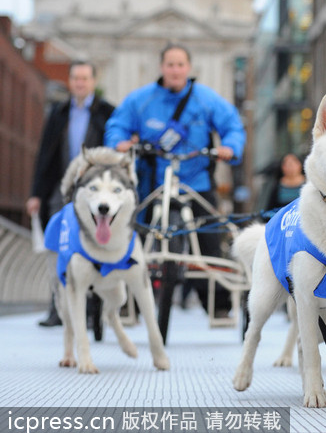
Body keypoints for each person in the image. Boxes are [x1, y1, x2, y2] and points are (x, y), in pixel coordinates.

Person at [104, 43, 246, 317]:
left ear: (189, 68)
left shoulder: (206, 99)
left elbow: (232, 125)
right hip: (154, 184)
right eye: (170, 64)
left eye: (180, 64)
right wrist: (118, 142)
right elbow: (118, 124)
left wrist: (230, 147)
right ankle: (129, 303)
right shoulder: (141, 100)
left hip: (197, 183)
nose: (175, 70)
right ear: (161, 68)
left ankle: (219, 306)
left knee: (210, 242)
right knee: (138, 238)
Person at [25, 60, 115, 327]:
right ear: (70, 81)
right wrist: (36, 193)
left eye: (85, 78)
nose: (80, 83)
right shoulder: (58, 112)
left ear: (93, 82)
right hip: (59, 190)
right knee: (58, 246)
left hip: (94, 191)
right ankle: (57, 309)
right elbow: (44, 154)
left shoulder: (108, 112)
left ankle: (91, 311)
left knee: (94, 245)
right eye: (76, 78)